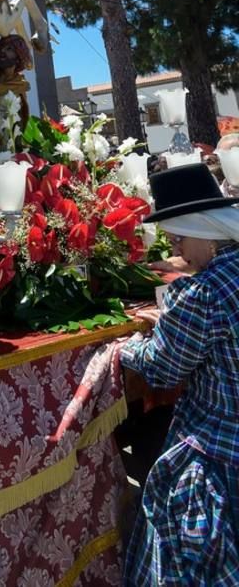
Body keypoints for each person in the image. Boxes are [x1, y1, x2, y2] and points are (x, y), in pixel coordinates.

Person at [120, 163, 239, 586]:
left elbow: (164, 366)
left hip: (218, 448)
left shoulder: (200, 293)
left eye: (180, 238)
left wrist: (124, 350)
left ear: (204, 231)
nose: (177, 251)